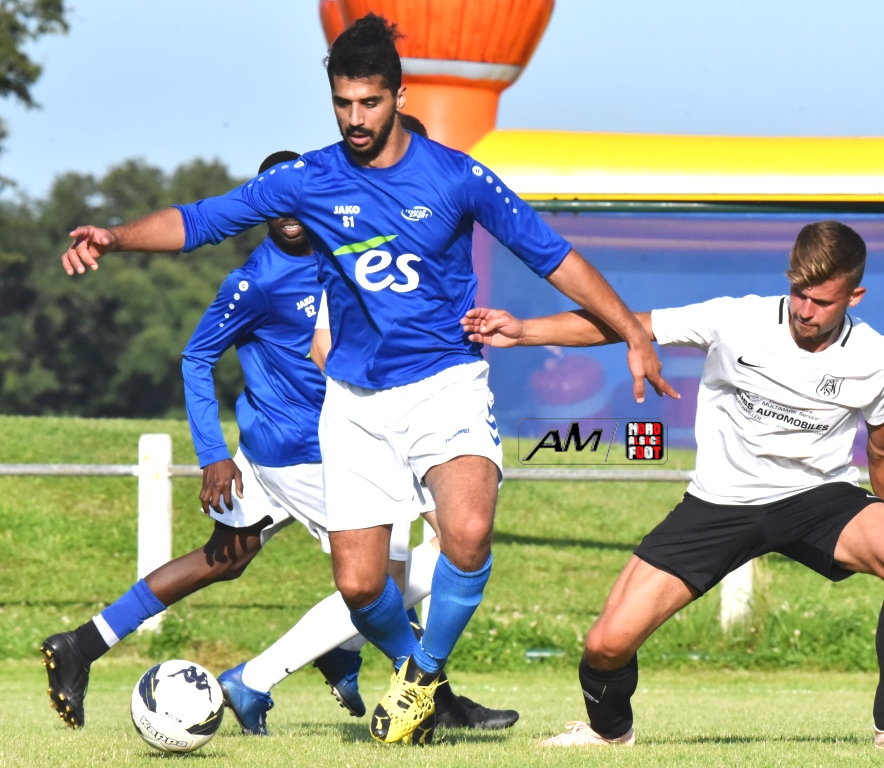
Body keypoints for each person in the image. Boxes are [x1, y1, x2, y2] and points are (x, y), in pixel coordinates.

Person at [60, 14, 672, 746]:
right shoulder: (307, 179)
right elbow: (199, 221)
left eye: (370, 102)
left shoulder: (457, 176)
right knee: (359, 585)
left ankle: (422, 678)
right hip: (353, 405)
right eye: (343, 103)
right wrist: (115, 236)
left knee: (467, 533)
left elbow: (555, 257)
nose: (355, 118)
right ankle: (418, 675)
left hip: (444, 384)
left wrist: (631, 330)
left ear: (399, 96)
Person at [44, 147, 515, 736]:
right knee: (391, 577)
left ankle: (83, 643)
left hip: (299, 445)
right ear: (265, 204)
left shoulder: (345, 250)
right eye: (277, 199)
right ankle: (413, 691)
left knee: (227, 558)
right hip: (309, 453)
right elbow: (196, 358)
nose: (291, 212)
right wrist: (213, 455)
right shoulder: (256, 282)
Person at [461, 221, 884, 752]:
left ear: (854, 296)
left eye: (821, 301)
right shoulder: (737, 320)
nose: (804, 310)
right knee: (606, 645)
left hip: (820, 498)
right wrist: (525, 330)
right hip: (721, 502)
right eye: (798, 291)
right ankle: (608, 733)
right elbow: (628, 325)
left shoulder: (875, 356)